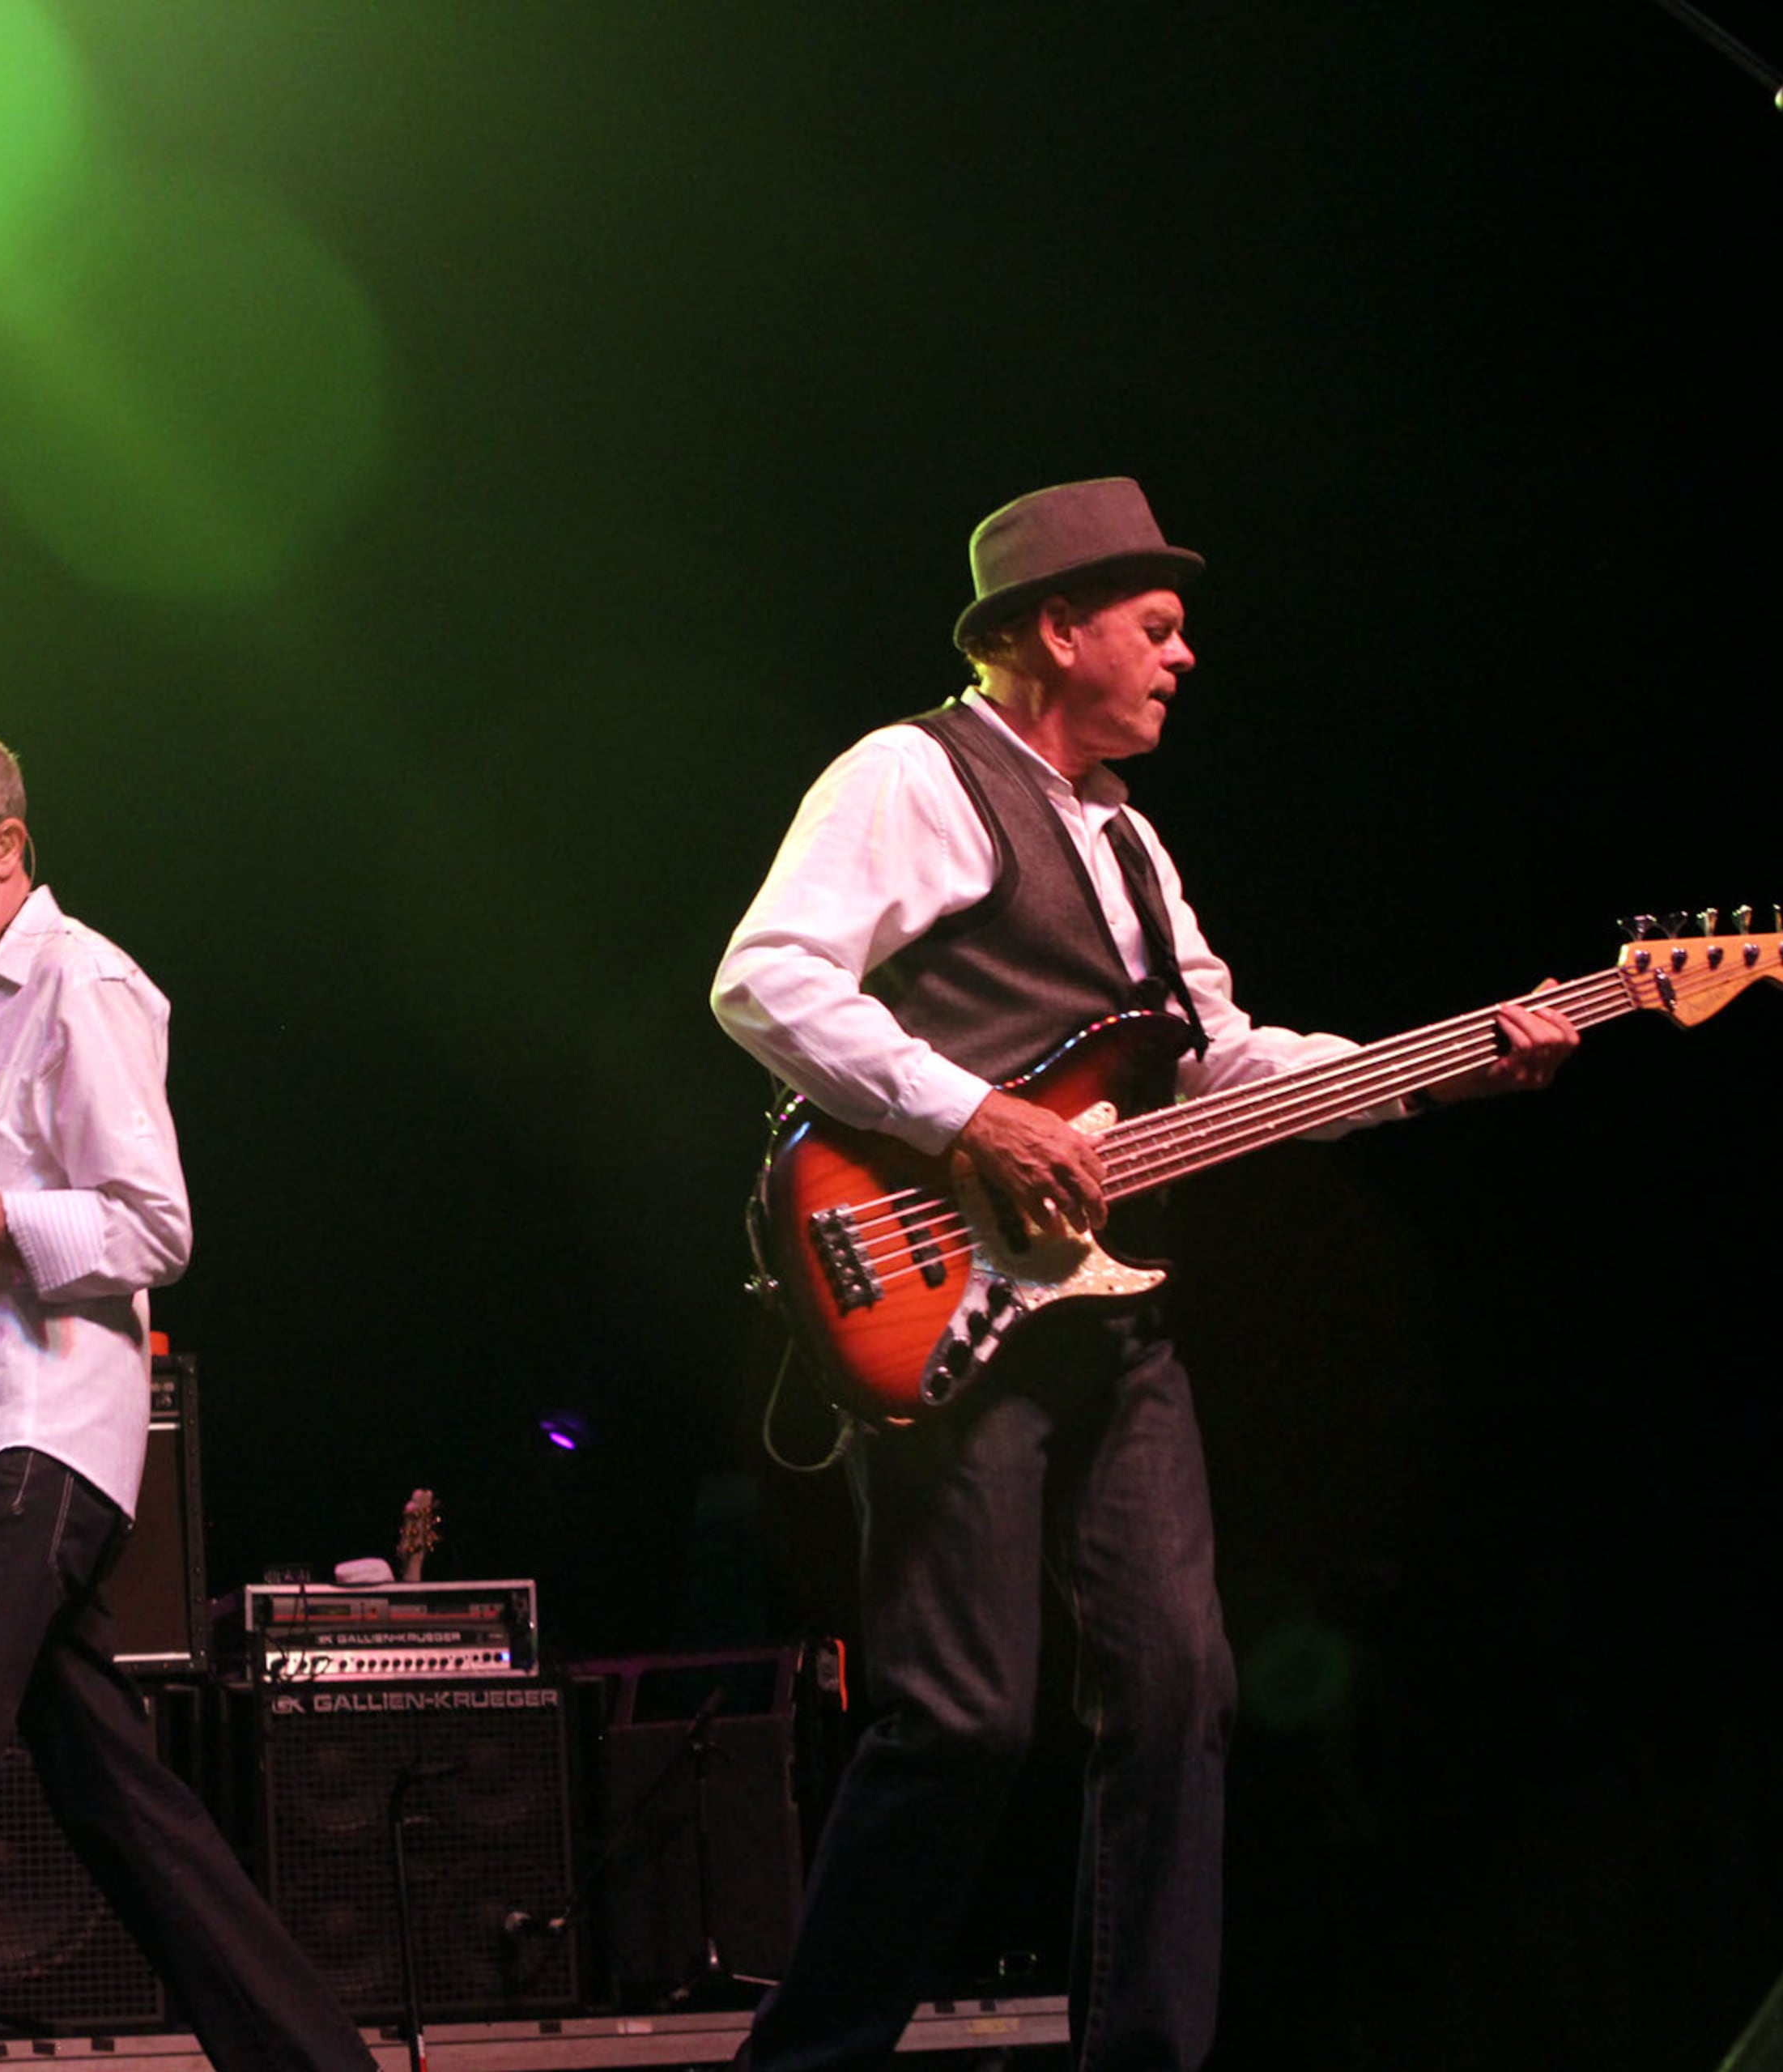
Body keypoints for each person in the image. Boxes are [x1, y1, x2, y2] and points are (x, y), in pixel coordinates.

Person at [709, 479, 1577, 2071]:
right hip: (939, 1306)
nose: (1185, 658)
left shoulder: (1129, 843)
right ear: (1058, 625)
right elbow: (763, 979)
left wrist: (1445, 1065)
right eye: (1158, 626)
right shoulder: (917, 774)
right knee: (962, 1718)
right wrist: (972, 1114)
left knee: (1181, 1696)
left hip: (1119, 1321)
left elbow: (1227, 1064)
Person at [0, 719, 369, 2072]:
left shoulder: (82, 982)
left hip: (39, 1441)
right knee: (118, 1802)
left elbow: (154, 1230)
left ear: (8, 843)